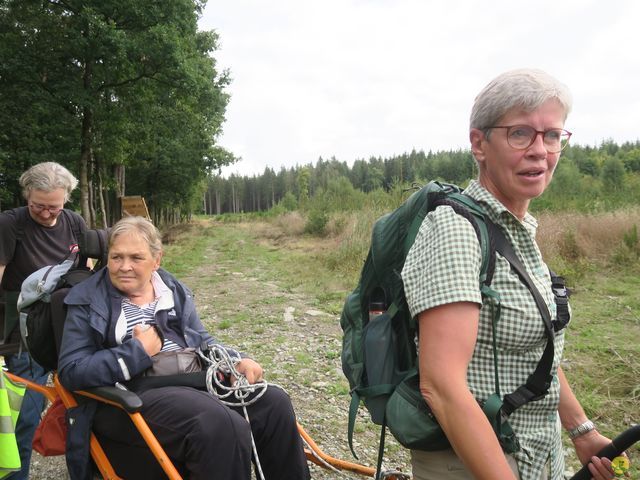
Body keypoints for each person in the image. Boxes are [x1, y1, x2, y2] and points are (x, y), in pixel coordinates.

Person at [401, 69, 620, 480]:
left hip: (538, 453)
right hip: (476, 460)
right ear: (479, 144)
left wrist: (581, 430)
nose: (540, 150)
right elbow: (442, 388)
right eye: (521, 133)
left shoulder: (517, 230)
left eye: (552, 135)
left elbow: (538, 348)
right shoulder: (455, 229)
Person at [57, 216, 310, 480]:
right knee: (220, 425)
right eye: (116, 257)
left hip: (191, 379)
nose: (124, 267)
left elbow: (200, 338)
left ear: (157, 260)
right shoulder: (87, 299)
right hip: (132, 393)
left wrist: (236, 360)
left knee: (273, 403)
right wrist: (137, 352)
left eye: (136, 258)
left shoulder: (171, 289)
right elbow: (72, 371)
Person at [0, 161, 88, 480]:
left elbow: (84, 271)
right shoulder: (11, 224)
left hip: (67, 327)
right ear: (27, 195)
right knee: (24, 416)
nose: (48, 213)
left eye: (55, 206)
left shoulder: (74, 222)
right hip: (23, 330)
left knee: (81, 408)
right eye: (39, 205)